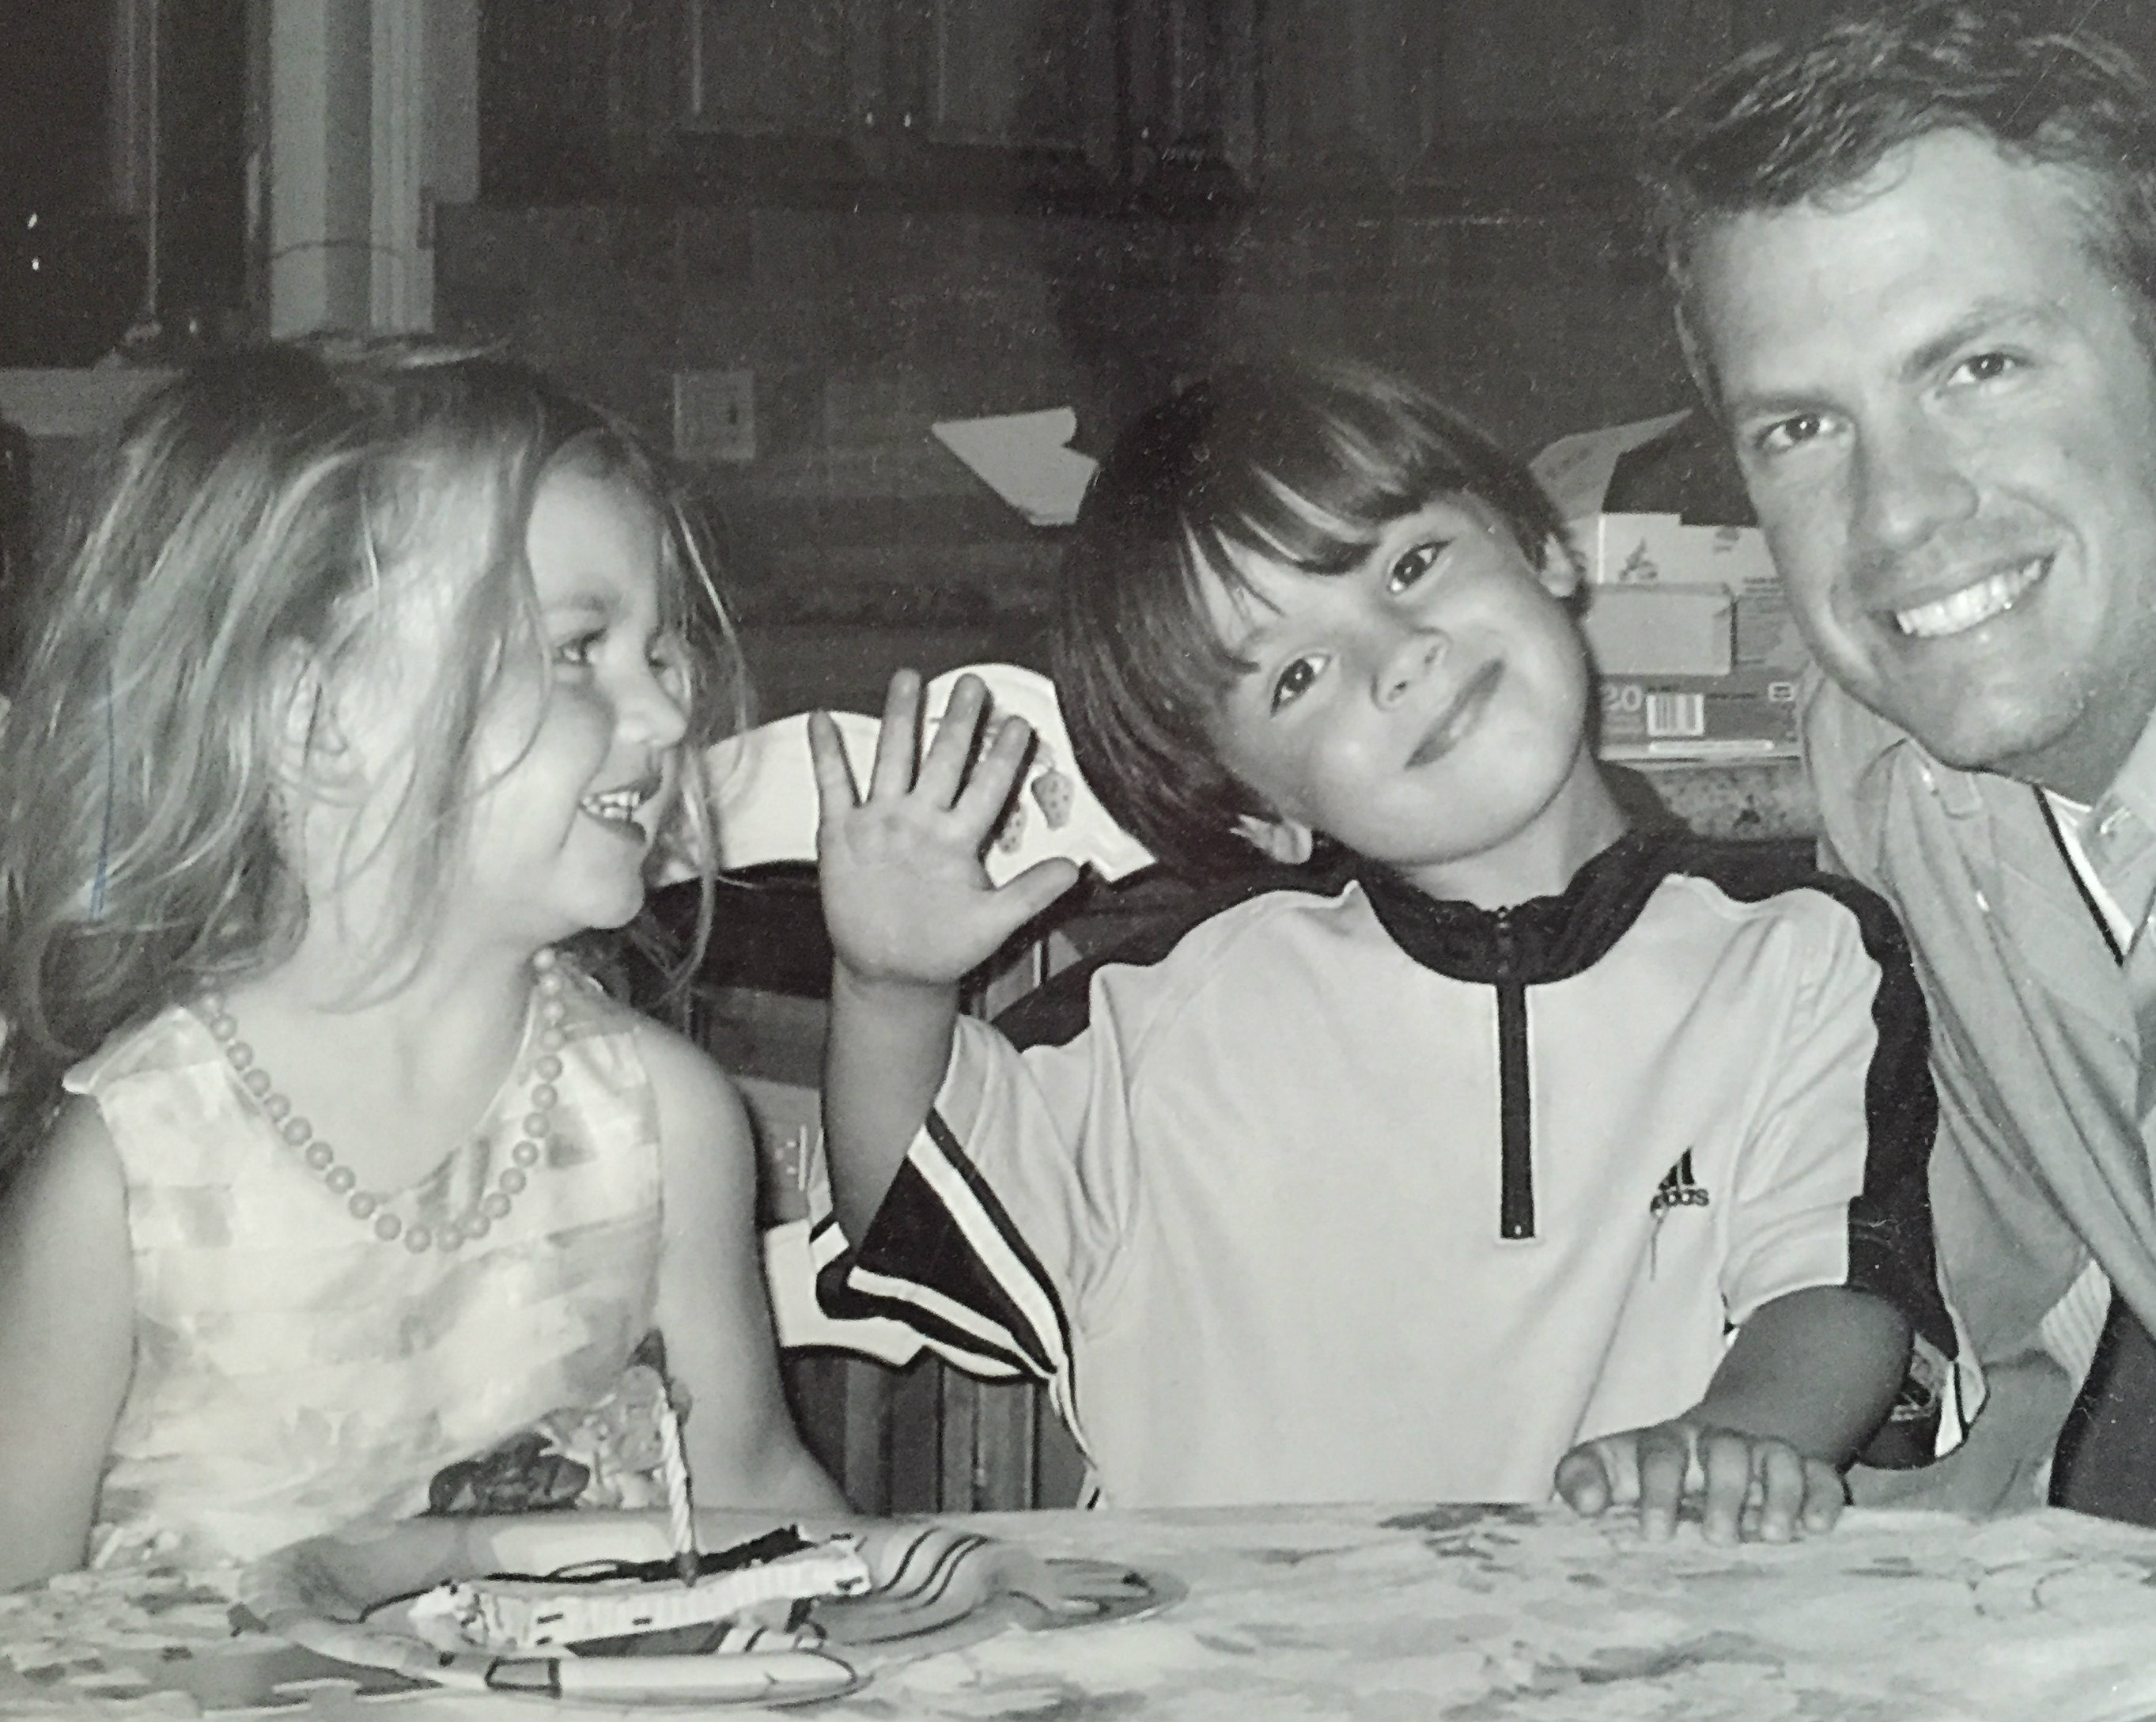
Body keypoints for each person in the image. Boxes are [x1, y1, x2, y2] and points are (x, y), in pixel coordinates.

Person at [809, 358, 1956, 1539]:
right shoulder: (1162, 1015)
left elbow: (1834, 1281)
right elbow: (910, 1211)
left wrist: (1745, 1438)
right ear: (1256, 809)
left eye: (1409, 565)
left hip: (1634, 1661)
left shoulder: (1799, 957)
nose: (1396, 653)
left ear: (1542, 548)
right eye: (1297, 676)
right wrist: (890, 989)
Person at [1653, 0, 2156, 1538]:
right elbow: (2015, 1266)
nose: (1894, 517)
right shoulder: (1896, 756)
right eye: (1803, 425)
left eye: (1981, 368)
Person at [0, 342, 846, 1588]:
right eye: (578, 650)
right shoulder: (131, 1181)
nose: (669, 716)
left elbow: (755, 1492)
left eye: (657, 654)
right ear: (318, 720)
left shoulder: (661, 1124)